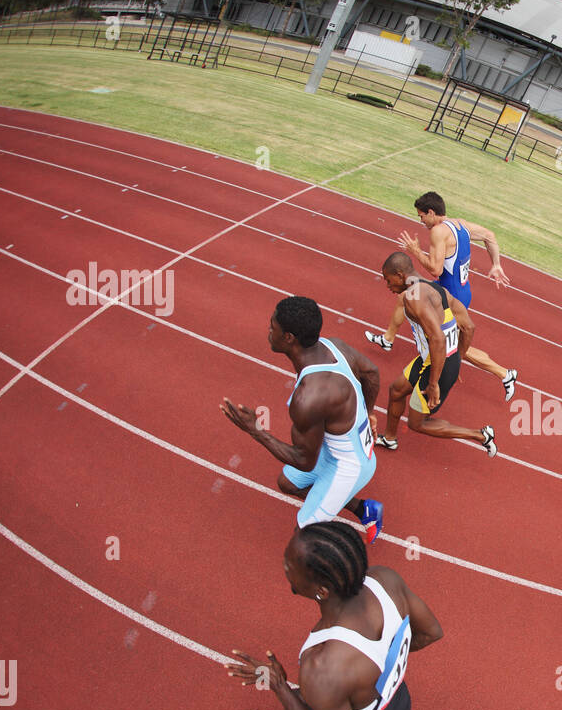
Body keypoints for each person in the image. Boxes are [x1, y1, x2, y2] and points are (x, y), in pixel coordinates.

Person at [227, 522, 531, 710]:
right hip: (394, 699)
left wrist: (278, 685)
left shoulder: (322, 666)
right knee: (307, 696)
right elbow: (431, 632)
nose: (283, 567)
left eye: (288, 564)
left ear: (321, 590)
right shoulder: (384, 579)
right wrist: (380, 665)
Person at [221, 296, 384, 541]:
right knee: (288, 483)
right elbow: (371, 372)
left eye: (272, 326)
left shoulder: (308, 398)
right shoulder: (334, 346)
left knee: (304, 536)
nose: (268, 330)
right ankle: (364, 508)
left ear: (288, 338)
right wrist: (369, 411)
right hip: (339, 448)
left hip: (349, 467)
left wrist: (255, 430)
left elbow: (304, 460)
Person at [365, 191, 518, 401]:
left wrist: (416, 250)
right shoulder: (460, 224)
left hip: (449, 295)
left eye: (421, 216)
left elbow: (435, 269)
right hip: (458, 290)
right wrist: (496, 264)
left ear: (431, 212)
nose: (421, 221)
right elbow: (490, 236)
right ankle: (388, 338)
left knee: (451, 346)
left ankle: (504, 373)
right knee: (404, 295)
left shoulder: (438, 232)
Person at [375, 252, 497, 457]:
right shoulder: (436, 289)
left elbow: (438, 339)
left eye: (388, 280)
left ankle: (481, 436)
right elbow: (468, 327)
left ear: (399, 274)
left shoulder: (414, 298)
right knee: (396, 391)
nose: (387, 285)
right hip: (435, 359)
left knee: (418, 423)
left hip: (437, 364)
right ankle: (389, 438)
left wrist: (434, 384)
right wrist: (458, 358)